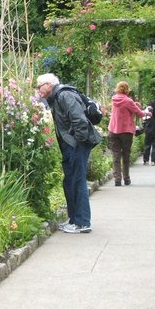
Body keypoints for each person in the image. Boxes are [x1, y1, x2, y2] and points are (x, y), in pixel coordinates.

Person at [36, 73, 102, 234]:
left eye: (39, 86)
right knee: (70, 181)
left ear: (49, 84)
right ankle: (74, 220)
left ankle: (83, 223)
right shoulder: (57, 97)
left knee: (77, 182)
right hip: (72, 145)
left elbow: (79, 120)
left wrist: (75, 143)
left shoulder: (65, 95)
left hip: (77, 145)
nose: (38, 89)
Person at [107, 81, 146, 186]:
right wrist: (146, 112)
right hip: (125, 131)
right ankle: (126, 178)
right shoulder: (128, 101)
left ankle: (117, 179)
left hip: (113, 130)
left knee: (115, 155)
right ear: (127, 89)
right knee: (126, 155)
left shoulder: (114, 99)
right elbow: (140, 114)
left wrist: (134, 105)